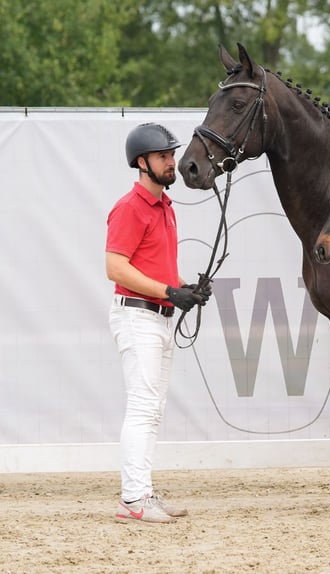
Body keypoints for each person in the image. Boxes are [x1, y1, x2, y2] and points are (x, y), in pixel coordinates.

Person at [106, 122, 211, 523]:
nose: (173, 163)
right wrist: (169, 293)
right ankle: (133, 500)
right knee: (143, 407)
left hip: (158, 316)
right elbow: (115, 267)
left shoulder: (165, 207)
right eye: (164, 157)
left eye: (171, 155)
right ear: (142, 162)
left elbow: (157, 267)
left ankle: (141, 492)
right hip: (138, 316)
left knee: (152, 408)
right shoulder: (130, 208)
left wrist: (186, 289)